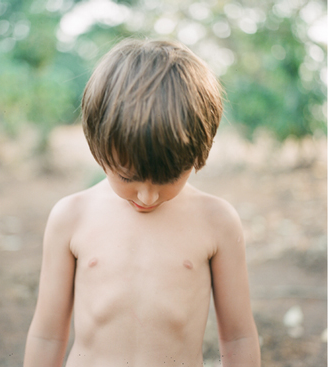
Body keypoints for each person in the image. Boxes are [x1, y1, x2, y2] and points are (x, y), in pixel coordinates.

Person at [23, 39, 260, 367]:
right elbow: (47, 335)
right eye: (127, 177)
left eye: (167, 179)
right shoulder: (71, 216)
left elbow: (238, 337)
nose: (147, 196)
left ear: (197, 154)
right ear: (99, 148)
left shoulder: (217, 221)